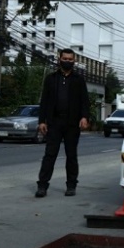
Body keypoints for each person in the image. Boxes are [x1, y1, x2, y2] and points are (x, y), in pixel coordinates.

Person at [36, 48, 90, 198]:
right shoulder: (51, 79)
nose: (67, 61)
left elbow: (85, 101)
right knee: (49, 155)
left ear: (74, 61)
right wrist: (42, 121)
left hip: (72, 124)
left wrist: (84, 117)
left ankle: (71, 186)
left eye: (70, 59)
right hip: (54, 123)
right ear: (59, 59)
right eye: (64, 59)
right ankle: (42, 186)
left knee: (71, 155)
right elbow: (44, 102)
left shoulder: (79, 80)